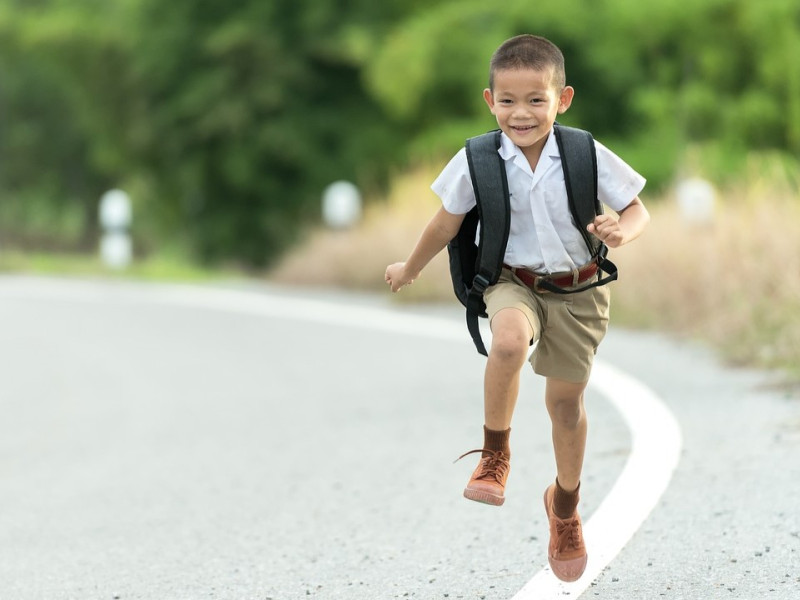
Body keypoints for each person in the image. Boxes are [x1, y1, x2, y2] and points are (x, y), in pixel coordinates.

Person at [384, 34, 649, 582]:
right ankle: (495, 456)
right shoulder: (477, 158)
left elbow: (635, 208)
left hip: (578, 290)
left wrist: (621, 231)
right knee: (506, 342)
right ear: (489, 100)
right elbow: (446, 221)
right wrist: (410, 265)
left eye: (536, 100)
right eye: (508, 100)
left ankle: (565, 506)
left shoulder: (582, 153)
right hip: (513, 282)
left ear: (563, 98)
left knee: (565, 407)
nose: (521, 113)